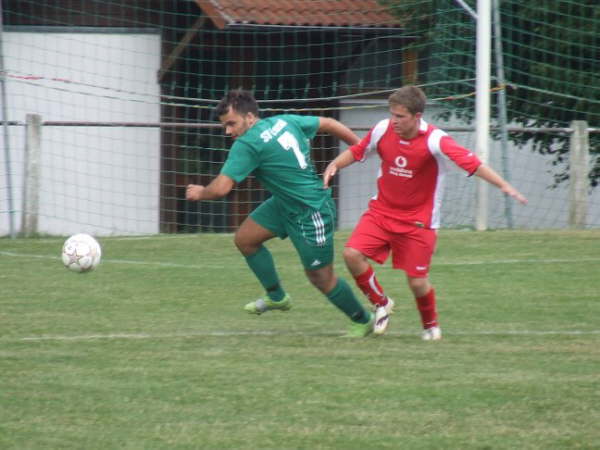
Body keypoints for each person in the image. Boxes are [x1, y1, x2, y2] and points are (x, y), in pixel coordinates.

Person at [323, 85, 528, 340]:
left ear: (417, 116)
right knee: (351, 254)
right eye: (392, 115)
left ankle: (431, 327)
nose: (394, 121)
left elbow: (472, 163)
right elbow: (358, 151)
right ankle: (381, 303)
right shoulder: (382, 129)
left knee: (417, 282)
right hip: (381, 212)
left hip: (418, 222)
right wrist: (334, 164)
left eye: (400, 116)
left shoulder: (435, 140)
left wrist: (504, 185)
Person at [186, 89, 375, 337]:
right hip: (284, 203)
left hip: (311, 210)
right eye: (225, 126)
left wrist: (200, 192)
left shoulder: (248, 144)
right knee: (245, 240)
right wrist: (358, 147)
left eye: (231, 124)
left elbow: (221, 188)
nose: (228, 131)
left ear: (251, 117)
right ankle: (277, 297)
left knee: (320, 276)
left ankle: (363, 319)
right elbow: (328, 123)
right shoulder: (285, 120)